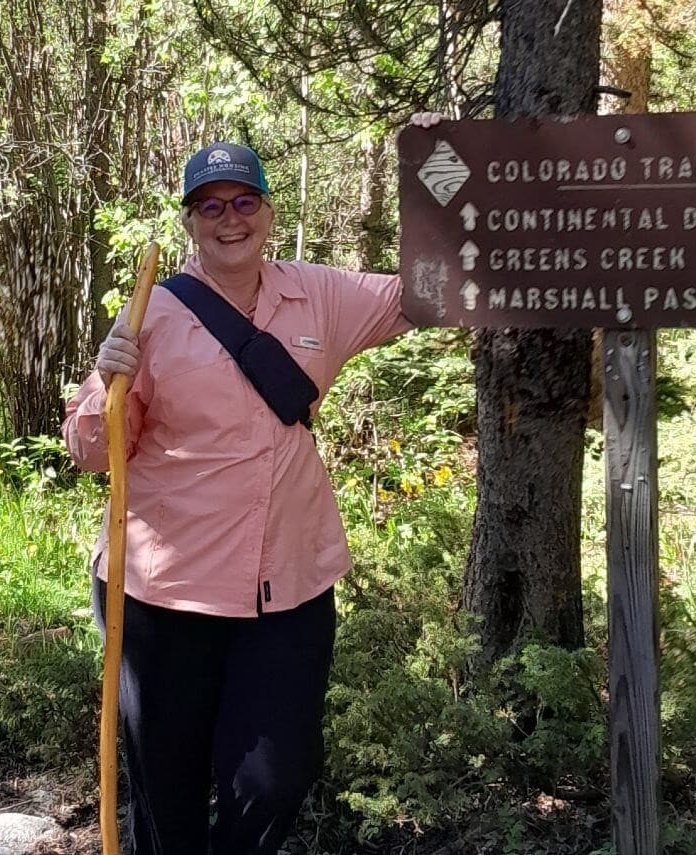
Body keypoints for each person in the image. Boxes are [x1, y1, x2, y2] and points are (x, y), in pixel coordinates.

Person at [61, 137, 419, 854]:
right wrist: (108, 378)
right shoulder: (153, 313)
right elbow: (93, 453)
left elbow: (425, 293)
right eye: (211, 206)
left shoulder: (318, 294)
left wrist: (450, 173)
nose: (230, 218)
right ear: (192, 222)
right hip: (164, 594)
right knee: (167, 791)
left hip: (285, 587)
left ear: (267, 209)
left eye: (244, 201)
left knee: (274, 778)